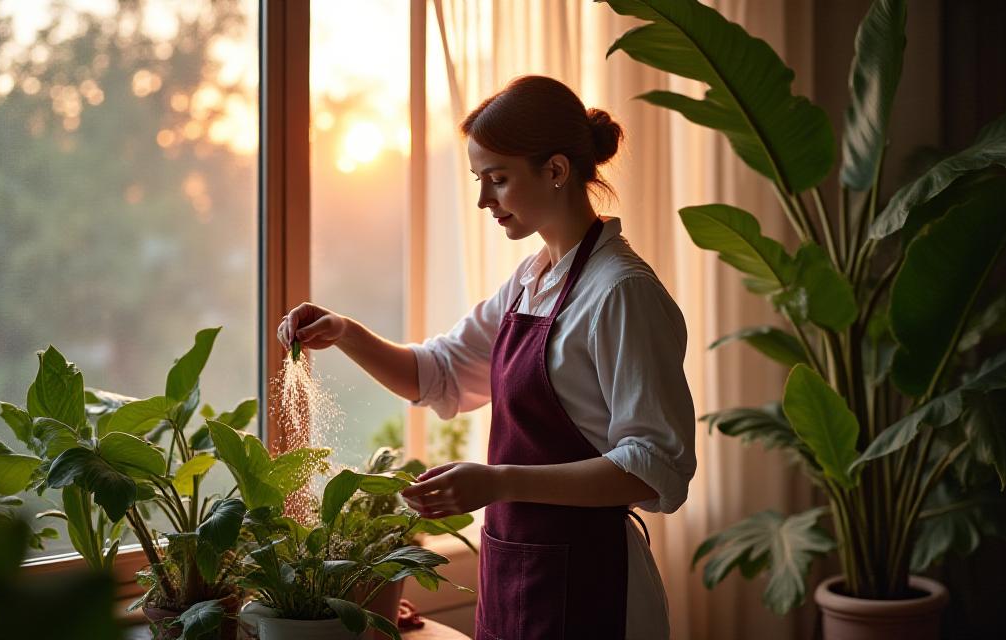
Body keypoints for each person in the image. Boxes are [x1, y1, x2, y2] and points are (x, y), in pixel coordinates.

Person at [278, 75, 695, 640]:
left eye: (497, 179)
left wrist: (498, 481)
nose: (483, 200)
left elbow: (654, 465)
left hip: (595, 584)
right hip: (517, 571)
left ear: (555, 171)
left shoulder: (621, 292)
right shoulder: (530, 279)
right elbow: (440, 374)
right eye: (479, 180)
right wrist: (347, 333)